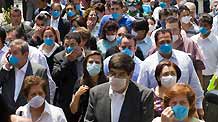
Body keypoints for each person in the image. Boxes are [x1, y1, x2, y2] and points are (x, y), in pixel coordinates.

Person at [137, 29, 204, 118]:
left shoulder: (185, 59)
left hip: (184, 108)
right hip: (159, 111)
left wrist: (199, 105)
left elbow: (194, 83)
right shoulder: (147, 64)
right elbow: (142, 89)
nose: (166, 44)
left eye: (168, 41)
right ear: (156, 44)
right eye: (162, 42)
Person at [84, 53, 154, 122]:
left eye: (121, 74)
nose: (116, 77)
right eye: (113, 73)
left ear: (130, 75)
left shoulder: (144, 96)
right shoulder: (96, 93)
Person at [0, 39, 49, 114]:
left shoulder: (39, 71)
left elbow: (45, 99)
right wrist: (5, 68)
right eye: (10, 53)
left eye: (15, 53)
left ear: (25, 54)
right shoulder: (6, 69)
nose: (11, 56)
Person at [165, 16, 205, 87]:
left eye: (174, 30)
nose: (172, 33)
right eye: (169, 30)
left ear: (180, 29)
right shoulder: (159, 46)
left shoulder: (190, 44)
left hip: (187, 89)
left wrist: (200, 89)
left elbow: (198, 69)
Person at [52, 31, 83, 121]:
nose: (69, 48)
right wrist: (67, 61)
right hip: (66, 102)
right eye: (66, 45)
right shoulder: (59, 57)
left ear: (80, 44)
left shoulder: (89, 57)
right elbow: (56, 76)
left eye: (72, 45)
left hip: (84, 99)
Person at [70, 51, 107, 122]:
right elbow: (73, 110)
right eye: (90, 62)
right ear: (85, 65)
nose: (94, 65)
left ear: (102, 66)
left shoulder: (106, 82)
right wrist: (77, 95)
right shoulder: (80, 82)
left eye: (97, 62)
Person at [191, 13, 218, 91]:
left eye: (205, 25)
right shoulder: (193, 40)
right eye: (200, 25)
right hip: (196, 76)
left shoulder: (216, 41)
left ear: (211, 26)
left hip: (212, 77)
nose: (202, 28)